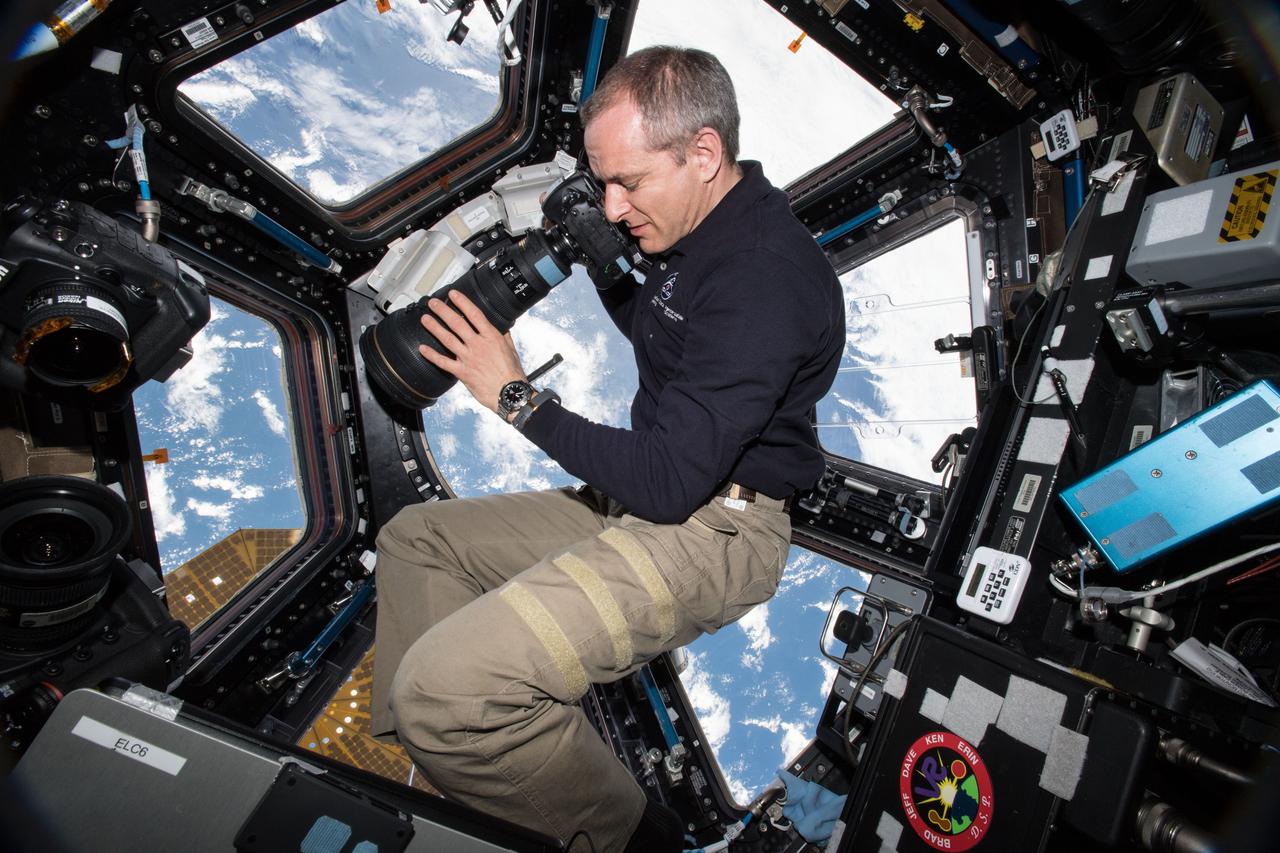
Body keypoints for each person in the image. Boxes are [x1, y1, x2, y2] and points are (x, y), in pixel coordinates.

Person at [369, 45, 844, 852]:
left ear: (703, 153)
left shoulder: (764, 277)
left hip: (716, 531)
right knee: (416, 542)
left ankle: (632, 841)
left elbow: (664, 484)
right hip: (655, 499)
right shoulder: (693, 232)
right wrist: (604, 265)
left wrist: (517, 396)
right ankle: (457, 753)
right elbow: (664, 329)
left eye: (630, 183)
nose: (615, 205)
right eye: (604, 183)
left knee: (446, 691)